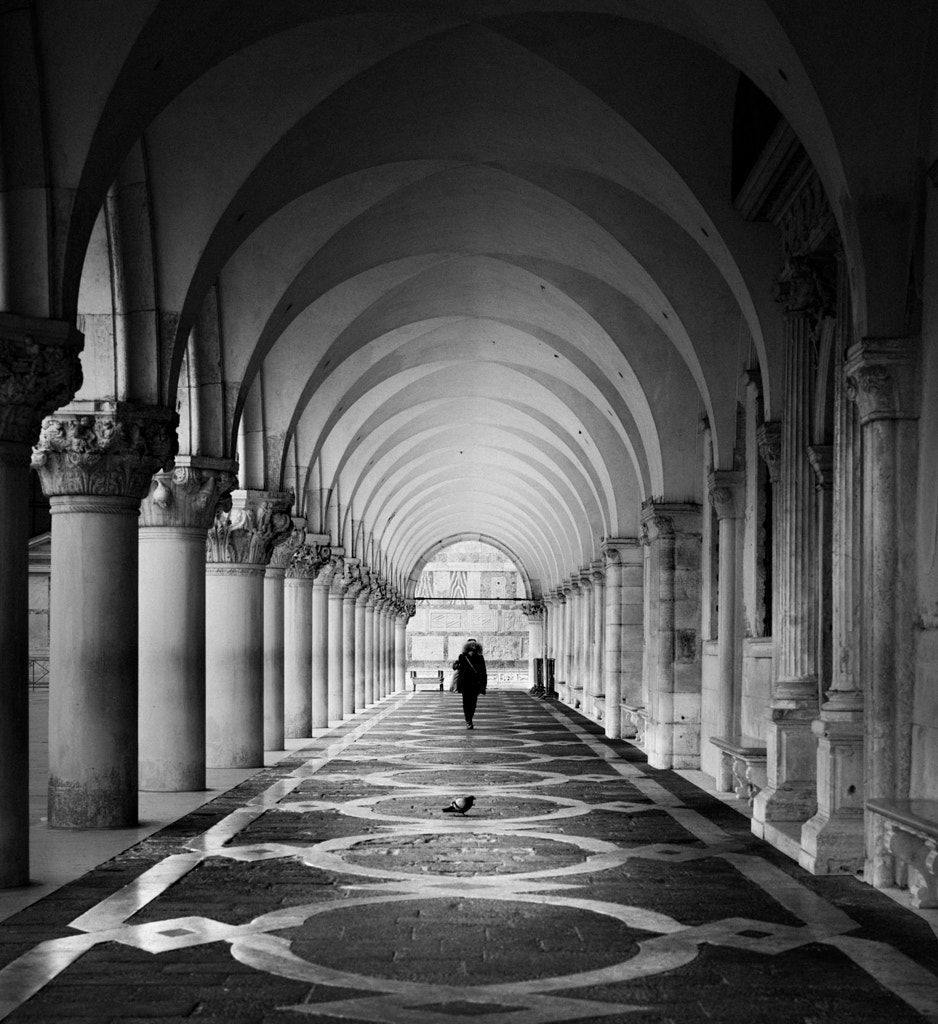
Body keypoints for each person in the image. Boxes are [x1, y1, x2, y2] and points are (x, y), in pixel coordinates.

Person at [453, 638, 487, 729]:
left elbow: (483, 671)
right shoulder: (462, 656)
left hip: (475, 683)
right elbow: (455, 666)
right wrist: (458, 665)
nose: (473, 650)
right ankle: (468, 720)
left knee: (473, 703)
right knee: (466, 702)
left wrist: (483, 685)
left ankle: (469, 718)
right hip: (465, 683)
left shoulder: (479, 657)